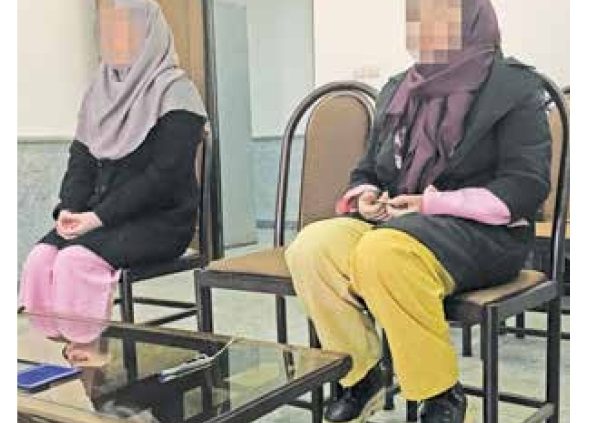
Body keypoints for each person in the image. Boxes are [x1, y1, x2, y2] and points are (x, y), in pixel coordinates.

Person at [285, 0, 551, 422]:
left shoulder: (513, 87)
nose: (422, 26)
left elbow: (525, 186)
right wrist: (366, 195)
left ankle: (440, 394)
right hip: (402, 225)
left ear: (470, 18)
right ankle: (362, 374)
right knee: (311, 247)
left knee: (382, 252)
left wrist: (432, 203)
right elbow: (369, 168)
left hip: (483, 234)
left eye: (437, 14)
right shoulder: (399, 88)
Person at [19, 0, 207, 363]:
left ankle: (89, 350)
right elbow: (81, 162)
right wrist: (70, 209)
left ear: (150, 34)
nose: (115, 37)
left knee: (75, 261)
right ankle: (52, 349)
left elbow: (163, 179)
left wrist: (98, 217)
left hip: (160, 221)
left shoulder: (176, 92)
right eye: (108, 28)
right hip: (101, 219)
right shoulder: (98, 92)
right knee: (40, 259)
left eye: (126, 28)